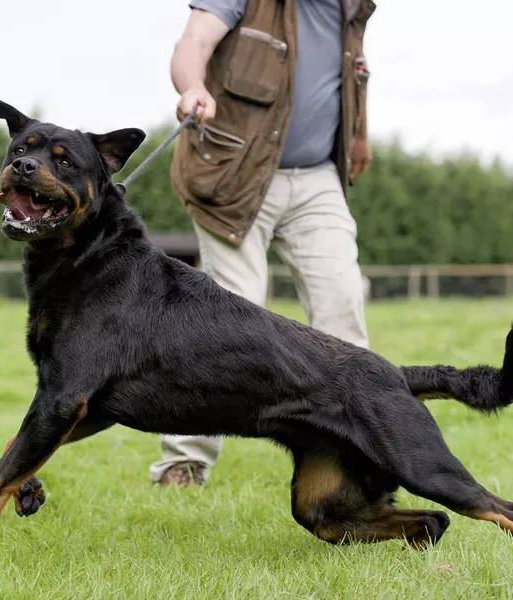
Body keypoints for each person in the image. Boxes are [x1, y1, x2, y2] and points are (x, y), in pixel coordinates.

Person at [149, 0, 377, 487]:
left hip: (318, 177)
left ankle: (355, 457)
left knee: (343, 300)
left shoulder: (353, 7)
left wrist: (358, 136)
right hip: (234, 172)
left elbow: (347, 77)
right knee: (226, 319)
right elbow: (194, 42)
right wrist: (192, 85)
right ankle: (184, 461)